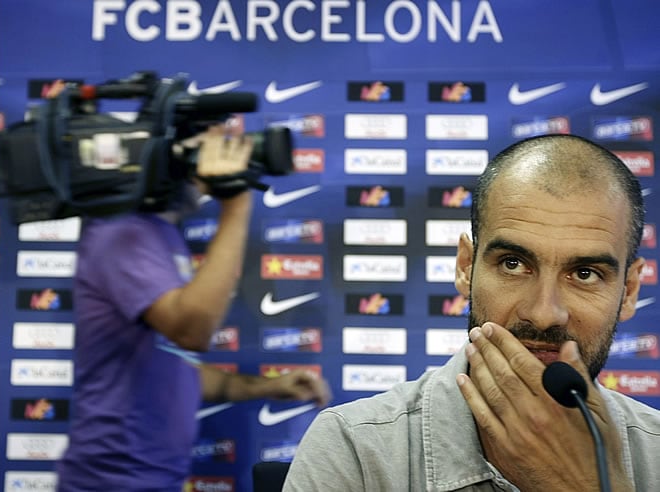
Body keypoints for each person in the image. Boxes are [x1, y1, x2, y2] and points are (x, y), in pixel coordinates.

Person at [283, 134, 660, 491]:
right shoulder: (355, 450)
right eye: (513, 264)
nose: (544, 314)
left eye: (584, 274)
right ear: (466, 267)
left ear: (628, 291)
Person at [56, 125, 331, 491]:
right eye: (201, 151)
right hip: (111, 480)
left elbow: (173, 361)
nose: (205, 170)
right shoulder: (122, 233)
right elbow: (192, 330)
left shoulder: (159, 235)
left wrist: (263, 387)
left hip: (152, 477)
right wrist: (235, 200)